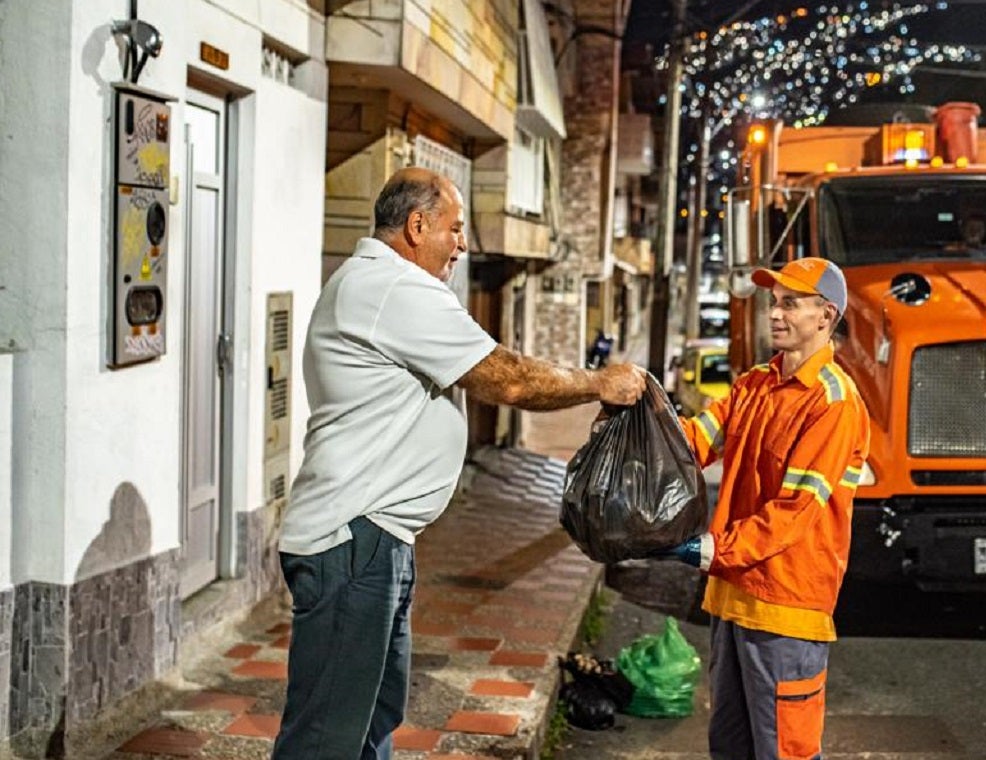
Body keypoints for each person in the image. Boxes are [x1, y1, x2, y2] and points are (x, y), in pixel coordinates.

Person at [273, 168, 645, 760]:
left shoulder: (378, 285)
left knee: (372, 716)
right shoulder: (393, 288)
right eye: (456, 228)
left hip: (378, 539)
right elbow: (510, 379)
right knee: (327, 737)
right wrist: (599, 383)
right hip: (353, 538)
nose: (463, 244)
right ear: (417, 226)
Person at [657, 257, 870, 760]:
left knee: (783, 751)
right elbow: (695, 441)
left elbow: (793, 513)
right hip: (733, 599)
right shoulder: (755, 384)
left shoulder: (833, 403)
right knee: (729, 745)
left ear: (826, 316)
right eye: (775, 303)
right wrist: (641, 416)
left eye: (790, 304)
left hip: (786, 608)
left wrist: (710, 549)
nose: (775, 314)